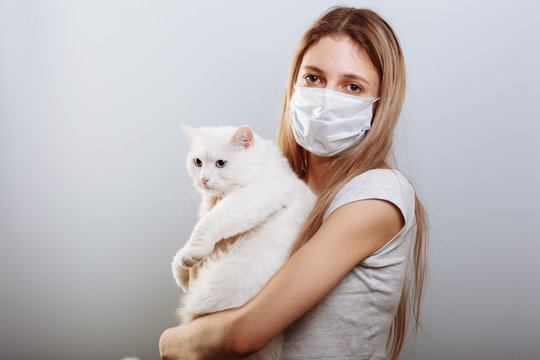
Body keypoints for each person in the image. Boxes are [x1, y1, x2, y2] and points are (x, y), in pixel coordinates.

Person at [159, 6, 428, 360]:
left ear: (380, 104)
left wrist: (168, 342)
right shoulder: (275, 187)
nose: (325, 101)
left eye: (352, 86)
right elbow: (208, 295)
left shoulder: (377, 196)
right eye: (314, 78)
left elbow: (242, 335)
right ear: (294, 83)